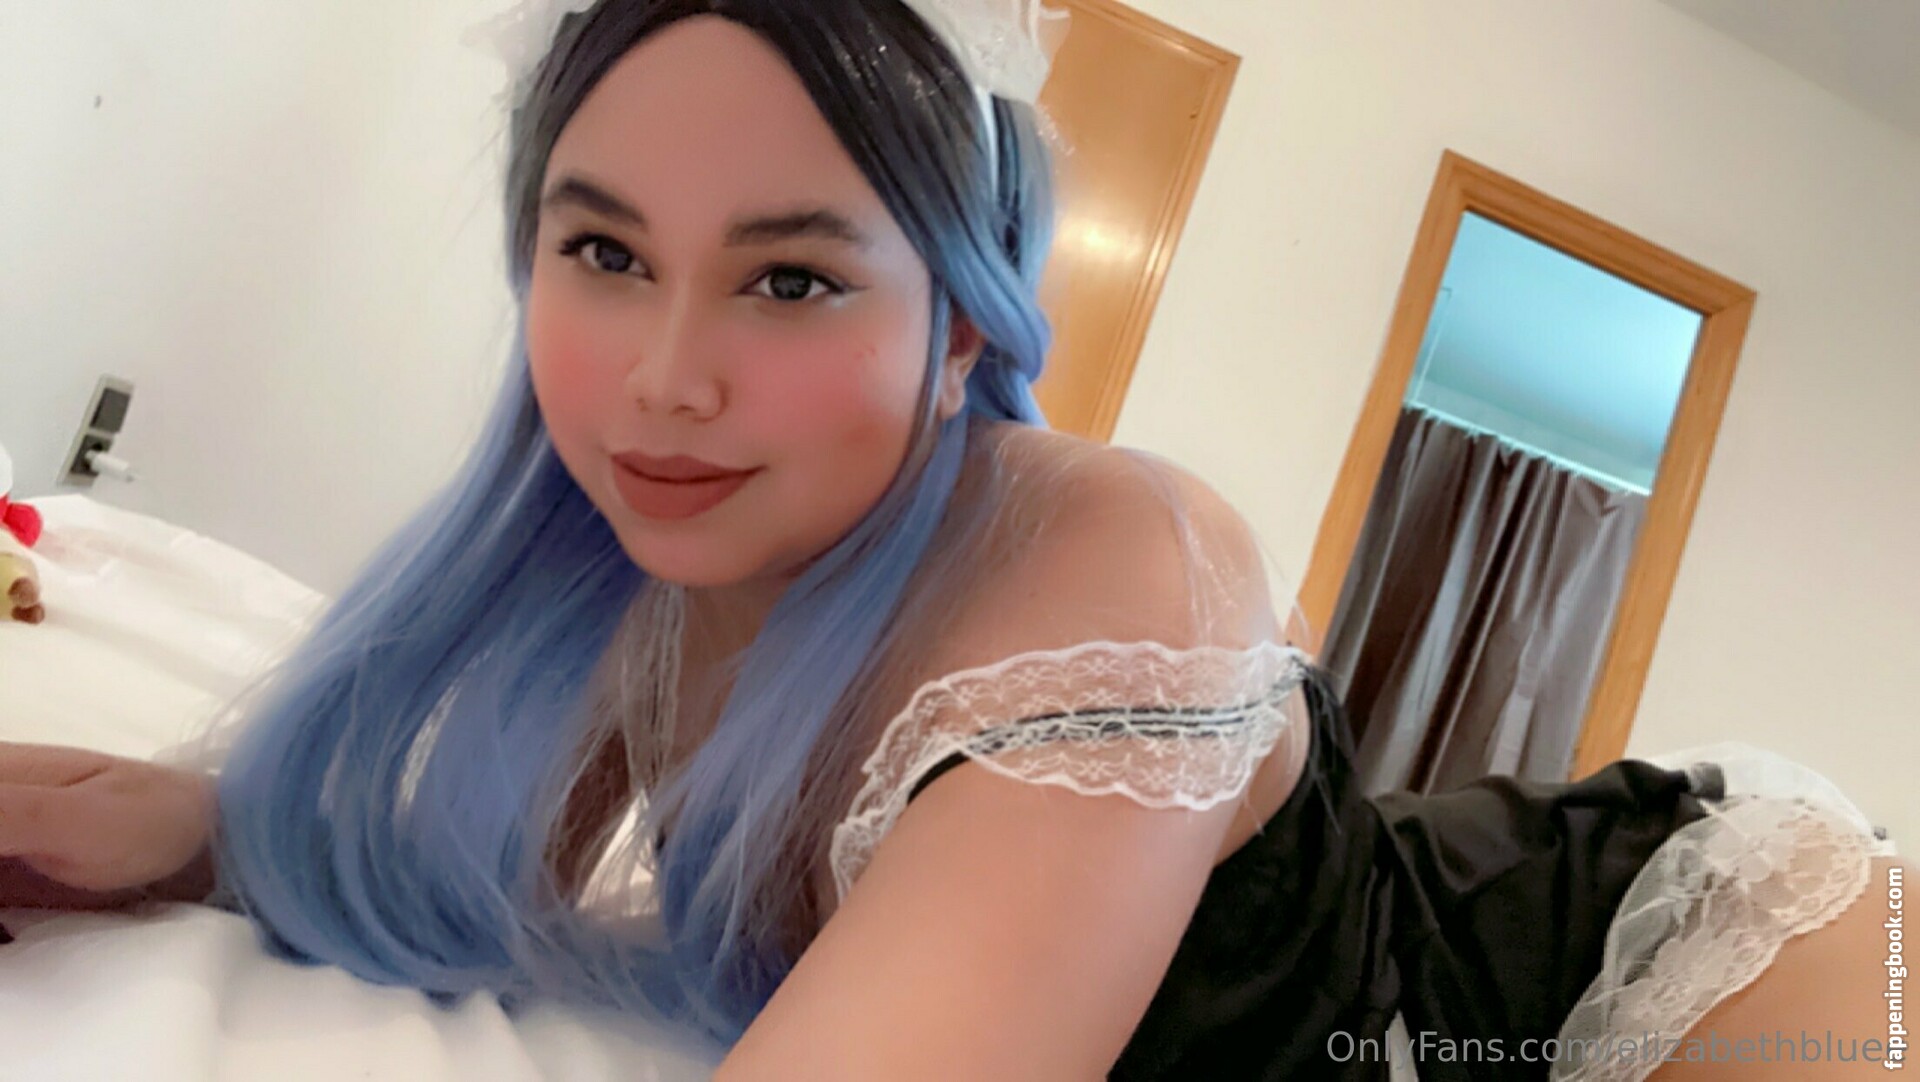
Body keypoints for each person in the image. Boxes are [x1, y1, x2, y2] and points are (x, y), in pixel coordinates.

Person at [0, 2, 1904, 1078]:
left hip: (1663, 949)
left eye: (791, 278)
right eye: (604, 250)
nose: (665, 378)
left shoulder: (1127, 559)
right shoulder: (662, 573)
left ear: (969, 327)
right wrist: (221, 828)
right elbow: (486, 862)